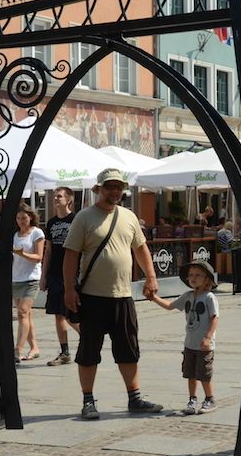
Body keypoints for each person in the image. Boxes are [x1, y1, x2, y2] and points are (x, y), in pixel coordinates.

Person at [64, 168, 162, 420]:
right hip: (92, 297)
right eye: (110, 186)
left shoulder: (129, 217)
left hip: (123, 296)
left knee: (128, 349)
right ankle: (88, 400)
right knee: (88, 351)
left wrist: (151, 277)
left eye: (119, 187)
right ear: (99, 189)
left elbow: (141, 249)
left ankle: (135, 398)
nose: (115, 191)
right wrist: (68, 289)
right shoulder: (84, 218)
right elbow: (71, 255)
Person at [149, 261, 219, 416]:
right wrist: (153, 297)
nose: (193, 278)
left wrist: (208, 337)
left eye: (198, 275)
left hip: (204, 346)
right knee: (190, 374)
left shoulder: (209, 297)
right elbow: (169, 305)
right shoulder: (188, 296)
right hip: (190, 344)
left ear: (207, 279)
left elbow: (214, 318)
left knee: (204, 374)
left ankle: (210, 399)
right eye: (191, 275)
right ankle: (192, 399)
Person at [41, 187, 78, 367]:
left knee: (71, 315)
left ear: (69, 200)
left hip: (72, 273)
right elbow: (48, 251)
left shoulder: (77, 220)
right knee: (58, 314)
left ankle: (89, 341)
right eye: (55, 196)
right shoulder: (51, 223)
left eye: (59, 196)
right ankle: (64, 352)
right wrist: (43, 275)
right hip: (55, 274)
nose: (55, 198)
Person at [12, 204, 45, 363]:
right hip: (16, 278)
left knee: (23, 312)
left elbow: (39, 257)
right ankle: (35, 348)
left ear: (30, 217)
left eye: (24, 218)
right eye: (18, 218)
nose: (21, 221)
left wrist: (22, 253)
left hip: (32, 278)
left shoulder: (37, 233)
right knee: (27, 315)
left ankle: (18, 349)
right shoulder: (15, 235)